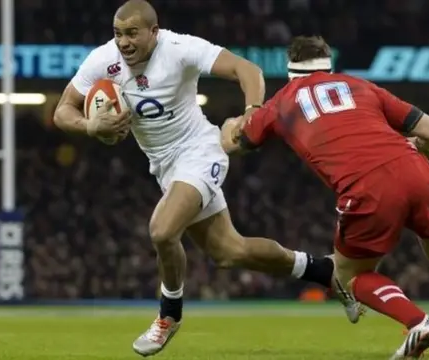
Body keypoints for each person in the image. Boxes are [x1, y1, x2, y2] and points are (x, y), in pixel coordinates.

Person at [220, 35, 429, 359]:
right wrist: (418, 151)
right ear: (328, 64)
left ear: (291, 67)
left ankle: (418, 322)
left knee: (348, 276)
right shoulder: (362, 86)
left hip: (366, 188)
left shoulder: (282, 102)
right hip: (414, 169)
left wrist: (230, 123)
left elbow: (234, 144)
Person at [53, 1, 362, 357]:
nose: (123, 42)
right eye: (118, 33)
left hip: (200, 150)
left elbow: (247, 70)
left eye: (132, 33)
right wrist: (89, 125)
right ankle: (324, 271)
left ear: (154, 32)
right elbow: (63, 109)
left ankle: (169, 315)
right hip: (165, 168)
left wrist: (251, 113)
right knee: (231, 251)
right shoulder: (102, 60)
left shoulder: (181, 49)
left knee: (162, 230)